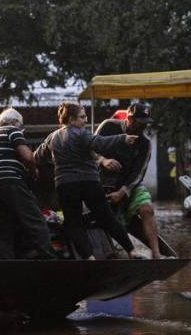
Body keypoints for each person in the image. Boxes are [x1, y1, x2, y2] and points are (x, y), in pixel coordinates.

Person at [35, 102, 144, 260]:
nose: (85, 120)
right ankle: (131, 251)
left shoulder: (52, 138)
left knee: (73, 223)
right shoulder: (81, 133)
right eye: (82, 117)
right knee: (106, 218)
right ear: (71, 119)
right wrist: (123, 138)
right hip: (89, 182)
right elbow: (100, 143)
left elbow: (37, 157)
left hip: (65, 185)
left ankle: (89, 257)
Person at [0, 108, 54, 260]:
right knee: (35, 220)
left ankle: (8, 269)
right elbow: (28, 157)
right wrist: (33, 171)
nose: (22, 131)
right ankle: (49, 260)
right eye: (22, 127)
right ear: (15, 122)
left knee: (3, 231)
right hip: (11, 181)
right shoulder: (11, 130)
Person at [96, 102, 162, 259]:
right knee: (105, 218)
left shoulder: (145, 144)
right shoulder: (108, 126)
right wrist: (102, 160)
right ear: (130, 119)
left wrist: (124, 191)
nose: (142, 129)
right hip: (101, 182)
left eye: (145, 125)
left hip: (128, 185)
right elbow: (90, 148)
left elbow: (139, 174)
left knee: (147, 209)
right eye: (140, 124)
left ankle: (157, 254)